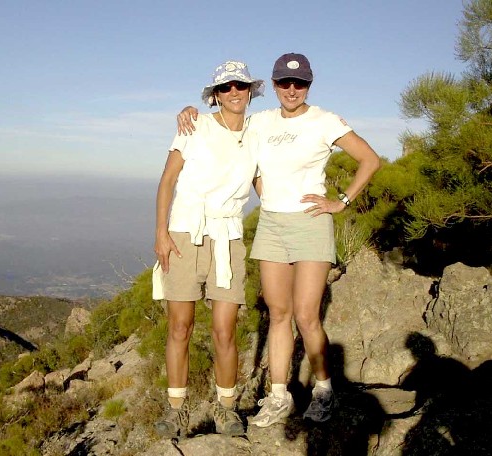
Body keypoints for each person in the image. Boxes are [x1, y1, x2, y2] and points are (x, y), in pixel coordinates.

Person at [177, 53, 381, 427]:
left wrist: (341, 202)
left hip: (311, 223)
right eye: (284, 84)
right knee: (278, 314)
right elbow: (227, 126)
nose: (291, 90)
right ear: (271, 86)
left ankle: (323, 389)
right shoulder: (261, 122)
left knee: (306, 315)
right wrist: (191, 109)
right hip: (271, 223)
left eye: (299, 83)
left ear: (309, 85)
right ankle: (278, 395)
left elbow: (369, 159)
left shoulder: (325, 121)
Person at [153, 60, 264, 438]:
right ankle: (176, 408)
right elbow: (167, 181)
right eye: (226, 87)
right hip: (185, 232)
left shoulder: (258, 133)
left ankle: (226, 407)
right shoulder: (194, 126)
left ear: (251, 91)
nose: (234, 93)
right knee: (180, 326)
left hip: (228, 237)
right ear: (215, 95)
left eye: (241, 86)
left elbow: (265, 185)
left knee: (224, 331)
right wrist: (161, 233)